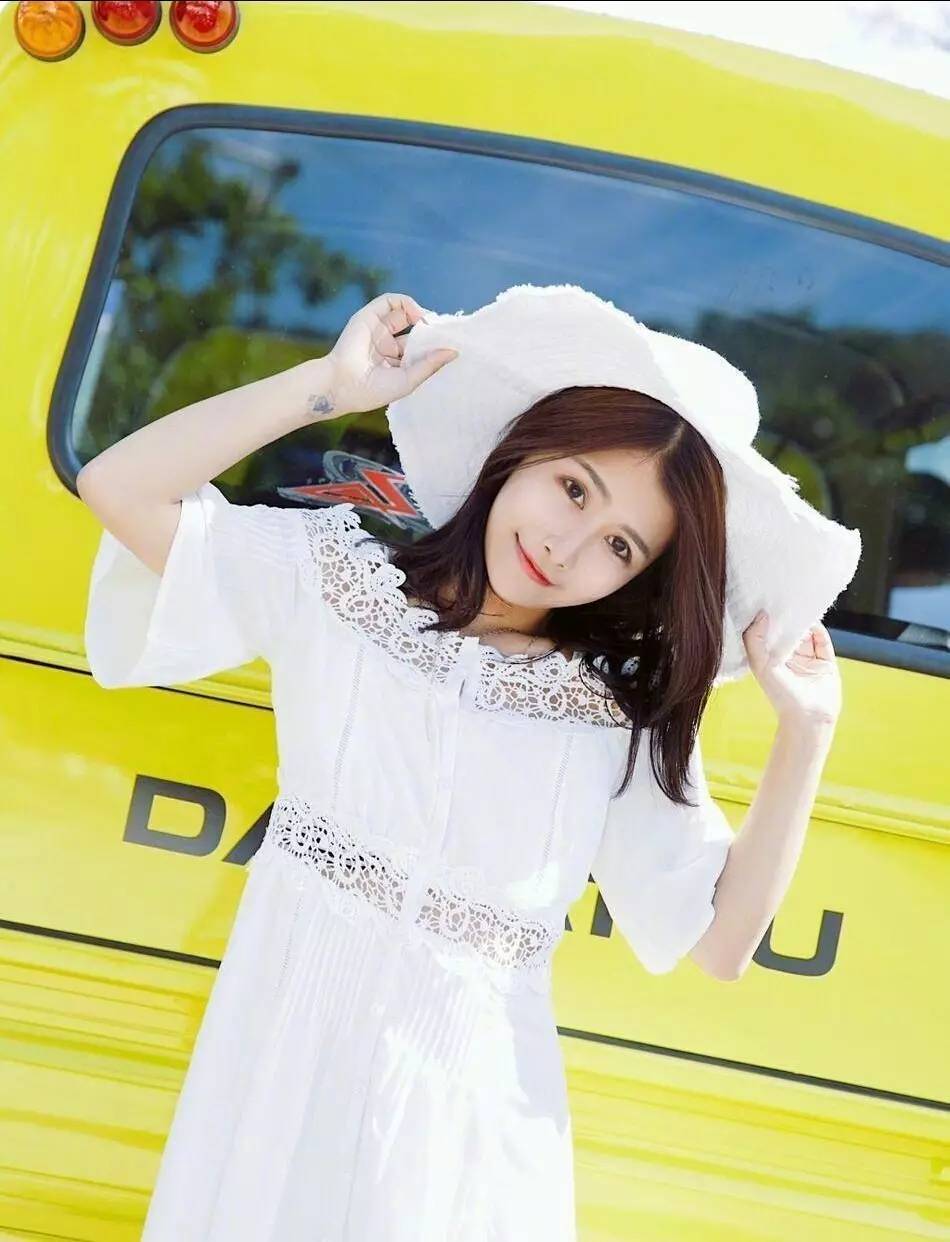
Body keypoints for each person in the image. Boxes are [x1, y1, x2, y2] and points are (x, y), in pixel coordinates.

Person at [77, 285, 862, 1241]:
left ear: (640, 574)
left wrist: (807, 734)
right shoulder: (336, 586)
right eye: (573, 487)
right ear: (522, 451)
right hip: (280, 1077)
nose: (566, 546)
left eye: (619, 544)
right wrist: (327, 389)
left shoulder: (612, 713)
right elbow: (119, 488)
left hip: (468, 1128)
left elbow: (721, 941)